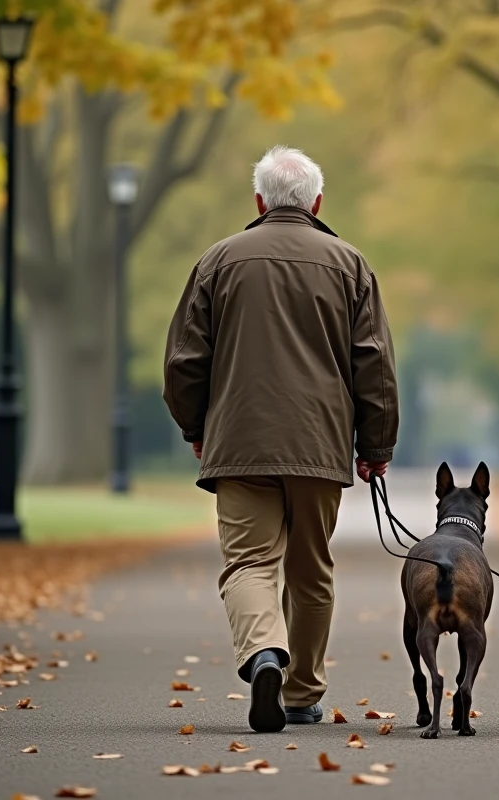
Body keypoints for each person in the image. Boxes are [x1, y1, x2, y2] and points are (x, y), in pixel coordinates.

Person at [162, 145, 398, 733]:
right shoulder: (349, 264)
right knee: (311, 570)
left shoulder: (218, 261)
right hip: (319, 444)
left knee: (248, 562)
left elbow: (184, 361)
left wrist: (197, 427)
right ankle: (300, 694)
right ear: (317, 202)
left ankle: (263, 651)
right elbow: (373, 363)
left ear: (259, 201)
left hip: (239, 440)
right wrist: (376, 444)